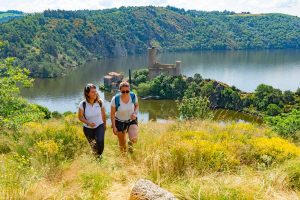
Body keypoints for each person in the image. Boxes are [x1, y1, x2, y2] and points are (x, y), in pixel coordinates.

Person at [78, 83, 106, 160]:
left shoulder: (100, 102)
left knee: (100, 141)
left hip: (99, 126)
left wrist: (104, 126)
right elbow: (80, 117)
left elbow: (104, 115)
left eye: (95, 91)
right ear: (87, 93)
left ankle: (99, 155)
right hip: (87, 128)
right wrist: (88, 123)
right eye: (93, 92)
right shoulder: (82, 104)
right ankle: (96, 158)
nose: (95, 93)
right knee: (93, 145)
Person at [110, 81, 139, 154]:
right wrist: (114, 127)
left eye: (127, 91)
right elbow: (112, 114)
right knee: (122, 143)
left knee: (134, 139)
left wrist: (135, 113)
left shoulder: (133, 96)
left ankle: (130, 143)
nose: (125, 93)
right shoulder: (115, 99)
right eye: (123, 92)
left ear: (129, 90)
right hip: (119, 122)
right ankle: (124, 158)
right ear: (120, 91)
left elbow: (137, 106)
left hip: (131, 120)